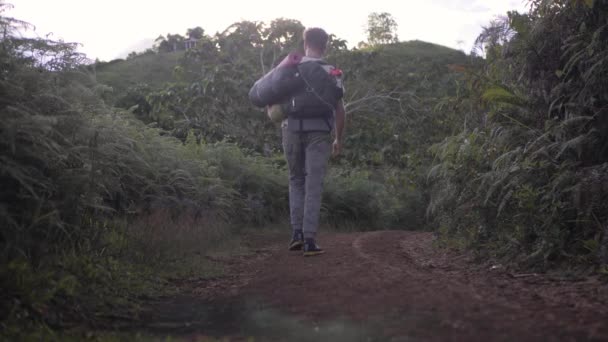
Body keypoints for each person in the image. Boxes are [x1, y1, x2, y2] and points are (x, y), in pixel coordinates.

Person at [282, 27, 346, 257]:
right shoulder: (332, 72)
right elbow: (339, 109)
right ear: (326, 45)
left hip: (291, 130)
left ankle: (296, 235)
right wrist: (338, 138)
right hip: (320, 132)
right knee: (313, 185)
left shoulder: (290, 67)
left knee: (295, 180)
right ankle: (309, 240)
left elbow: (275, 102)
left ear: (304, 41)